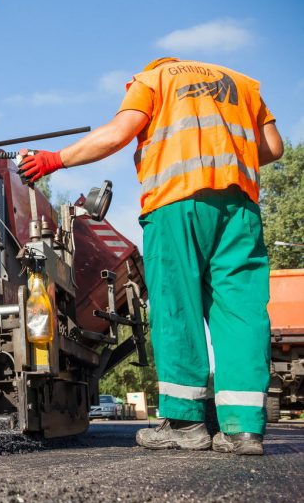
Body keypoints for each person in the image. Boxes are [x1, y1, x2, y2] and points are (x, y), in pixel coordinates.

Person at [18, 57, 284, 456]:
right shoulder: (245, 85)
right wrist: (222, 154)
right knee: (242, 312)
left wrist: (54, 160)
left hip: (175, 203)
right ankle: (244, 430)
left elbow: (117, 134)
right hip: (239, 208)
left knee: (176, 308)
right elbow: (273, 148)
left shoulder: (154, 78)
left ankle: (184, 424)